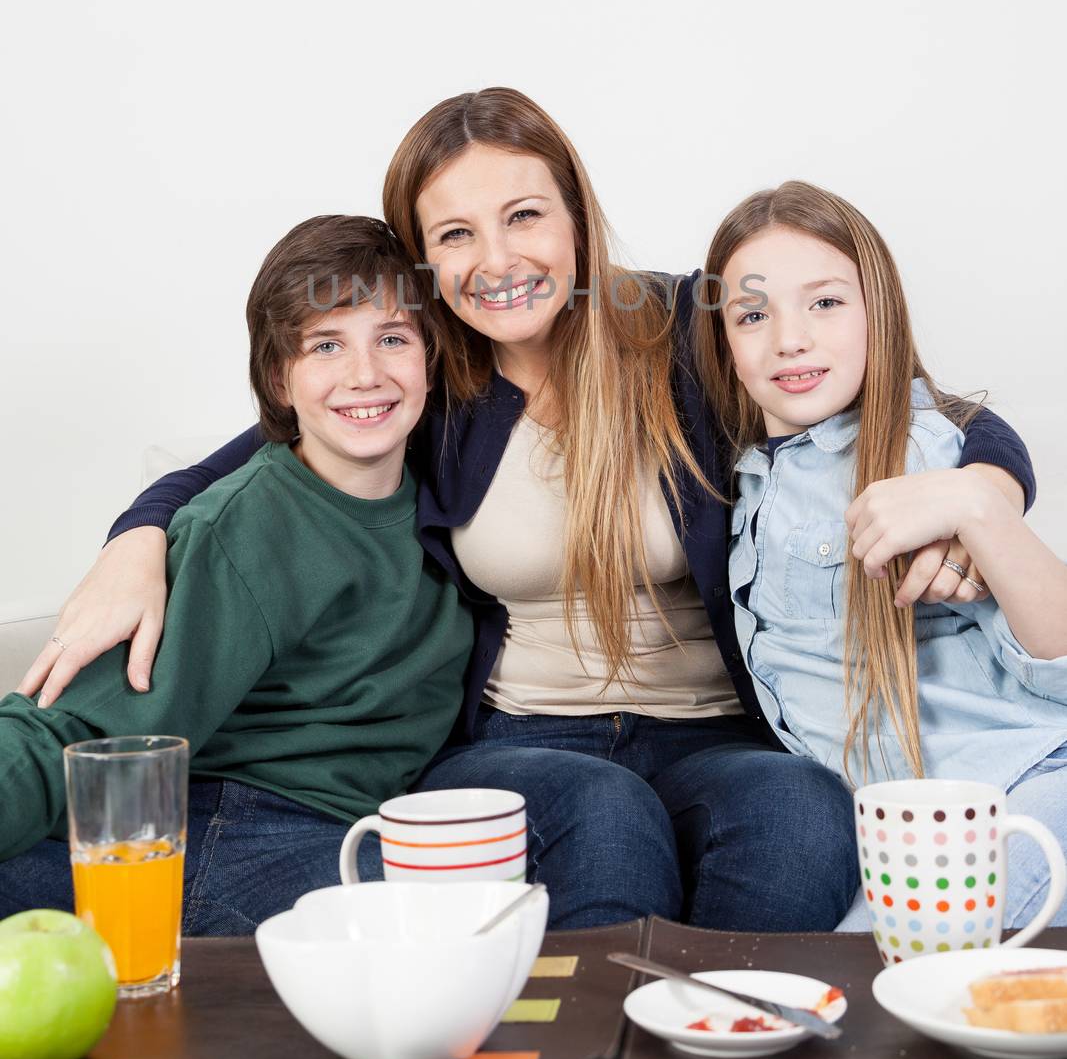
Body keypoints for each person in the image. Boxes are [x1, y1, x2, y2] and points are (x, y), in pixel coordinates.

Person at [20, 90, 1036, 931]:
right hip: (519, 734)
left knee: (800, 812)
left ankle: (722, 1045)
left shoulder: (688, 328)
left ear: (575, 216)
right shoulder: (427, 376)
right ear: (424, 262)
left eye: (524, 216)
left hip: (716, 730)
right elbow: (263, 440)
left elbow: (925, 407)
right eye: (455, 233)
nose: (497, 259)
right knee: (603, 812)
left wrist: (978, 497)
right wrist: (136, 535)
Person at [0, 216, 473, 933]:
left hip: (352, 822)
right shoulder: (247, 527)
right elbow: (76, 733)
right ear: (280, 380)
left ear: (431, 361)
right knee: (419, 926)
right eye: (325, 345)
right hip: (234, 821)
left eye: (391, 338)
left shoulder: (447, 491)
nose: (364, 374)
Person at [691, 180, 1066, 928]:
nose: (788, 338)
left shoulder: (919, 453)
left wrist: (976, 504)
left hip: (1015, 790)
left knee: (909, 977)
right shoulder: (745, 475)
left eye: (825, 303)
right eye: (753, 314)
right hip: (897, 831)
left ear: (877, 314)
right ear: (722, 342)